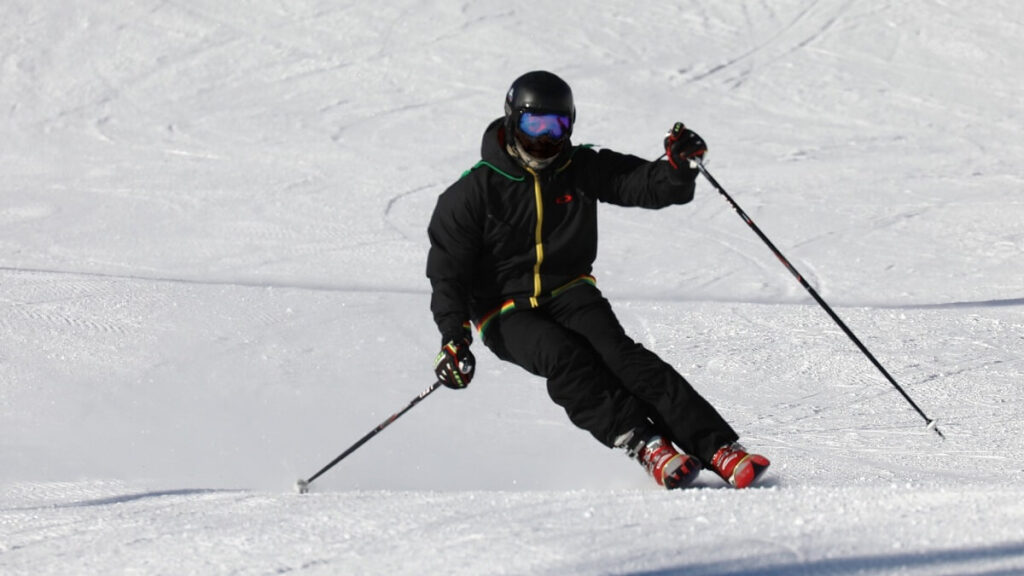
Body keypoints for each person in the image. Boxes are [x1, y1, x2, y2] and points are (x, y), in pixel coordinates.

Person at [426, 70, 769, 489]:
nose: (544, 138)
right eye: (535, 124)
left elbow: (639, 183)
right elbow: (447, 273)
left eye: (556, 126)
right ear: (513, 120)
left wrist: (678, 170)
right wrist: (454, 337)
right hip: (504, 310)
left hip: (569, 290)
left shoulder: (578, 167)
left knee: (622, 356)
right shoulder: (472, 193)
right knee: (563, 357)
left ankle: (718, 447)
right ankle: (643, 442)